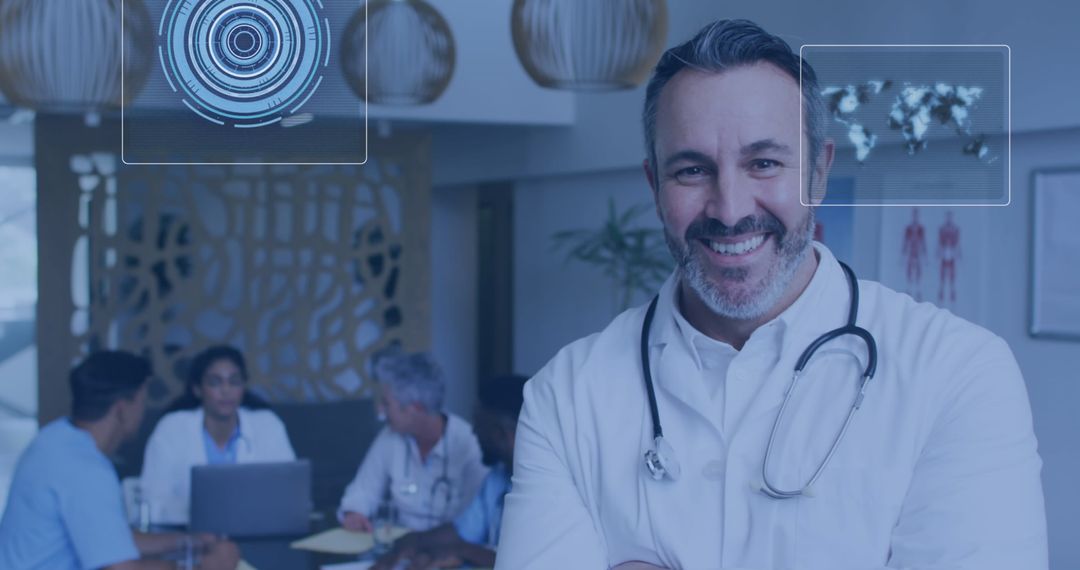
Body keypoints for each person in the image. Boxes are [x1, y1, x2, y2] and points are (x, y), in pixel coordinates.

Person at [496, 19, 1047, 570]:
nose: (730, 209)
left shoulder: (957, 372)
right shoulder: (566, 396)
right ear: (655, 186)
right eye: (692, 170)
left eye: (764, 163)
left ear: (819, 173)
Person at [0, 350, 240, 569]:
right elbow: (120, 568)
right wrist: (199, 567)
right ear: (122, 409)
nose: (143, 412)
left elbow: (110, 539)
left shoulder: (55, 439)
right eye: (142, 402)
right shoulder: (86, 469)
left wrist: (190, 541)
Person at [371, 374, 528, 570]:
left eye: (478, 423)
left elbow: (532, 560)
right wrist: (413, 541)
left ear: (500, 434)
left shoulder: (549, 489)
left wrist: (462, 551)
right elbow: (462, 532)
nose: (473, 432)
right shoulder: (497, 477)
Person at [141, 345, 296, 524]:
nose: (226, 390)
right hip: (188, 534)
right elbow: (153, 500)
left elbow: (289, 494)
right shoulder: (172, 428)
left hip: (258, 529)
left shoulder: (268, 424)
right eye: (215, 382)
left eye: (234, 382)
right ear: (197, 389)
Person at [338, 351, 488, 532]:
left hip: (450, 547)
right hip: (399, 545)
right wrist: (354, 514)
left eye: (387, 404)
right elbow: (363, 491)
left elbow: (473, 525)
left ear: (415, 408)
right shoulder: (389, 437)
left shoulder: (470, 445)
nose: (380, 412)